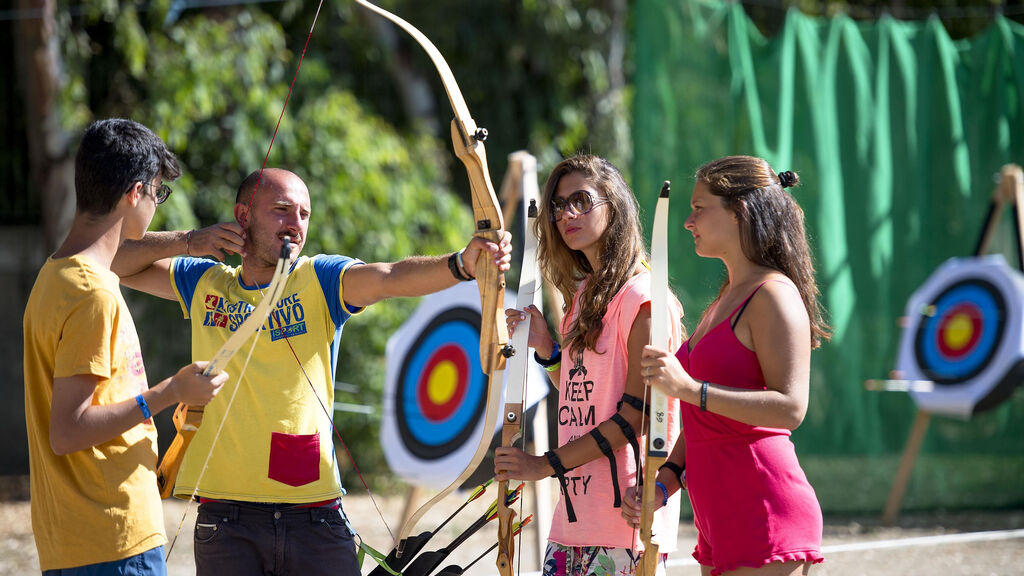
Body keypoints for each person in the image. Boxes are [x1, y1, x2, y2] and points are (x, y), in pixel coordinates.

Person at [110, 167, 512, 576]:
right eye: (282, 210)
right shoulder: (205, 282)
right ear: (242, 215)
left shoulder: (319, 278)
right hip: (226, 520)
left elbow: (389, 276)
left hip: (314, 517)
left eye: (304, 214)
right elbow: (113, 261)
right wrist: (190, 241)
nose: (295, 224)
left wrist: (461, 264)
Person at [23, 118, 227, 575]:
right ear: (135, 193)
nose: (158, 203)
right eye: (158, 192)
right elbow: (69, 430)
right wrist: (170, 392)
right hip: (111, 539)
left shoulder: (55, 276)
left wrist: (192, 241)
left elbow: (117, 254)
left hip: (79, 540)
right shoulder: (93, 294)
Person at [622, 155, 831, 576]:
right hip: (718, 515)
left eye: (700, 208)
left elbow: (791, 408)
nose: (687, 221)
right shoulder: (725, 298)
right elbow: (704, 418)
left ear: (740, 212)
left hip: (762, 506)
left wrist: (688, 389)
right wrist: (666, 480)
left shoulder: (772, 294)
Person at [494, 154, 685, 576]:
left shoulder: (645, 299)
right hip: (574, 519)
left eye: (581, 200)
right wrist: (548, 350)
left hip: (626, 523)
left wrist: (543, 464)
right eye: (559, 206)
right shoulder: (583, 299)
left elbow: (632, 417)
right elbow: (587, 392)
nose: (567, 214)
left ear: (612, 205)